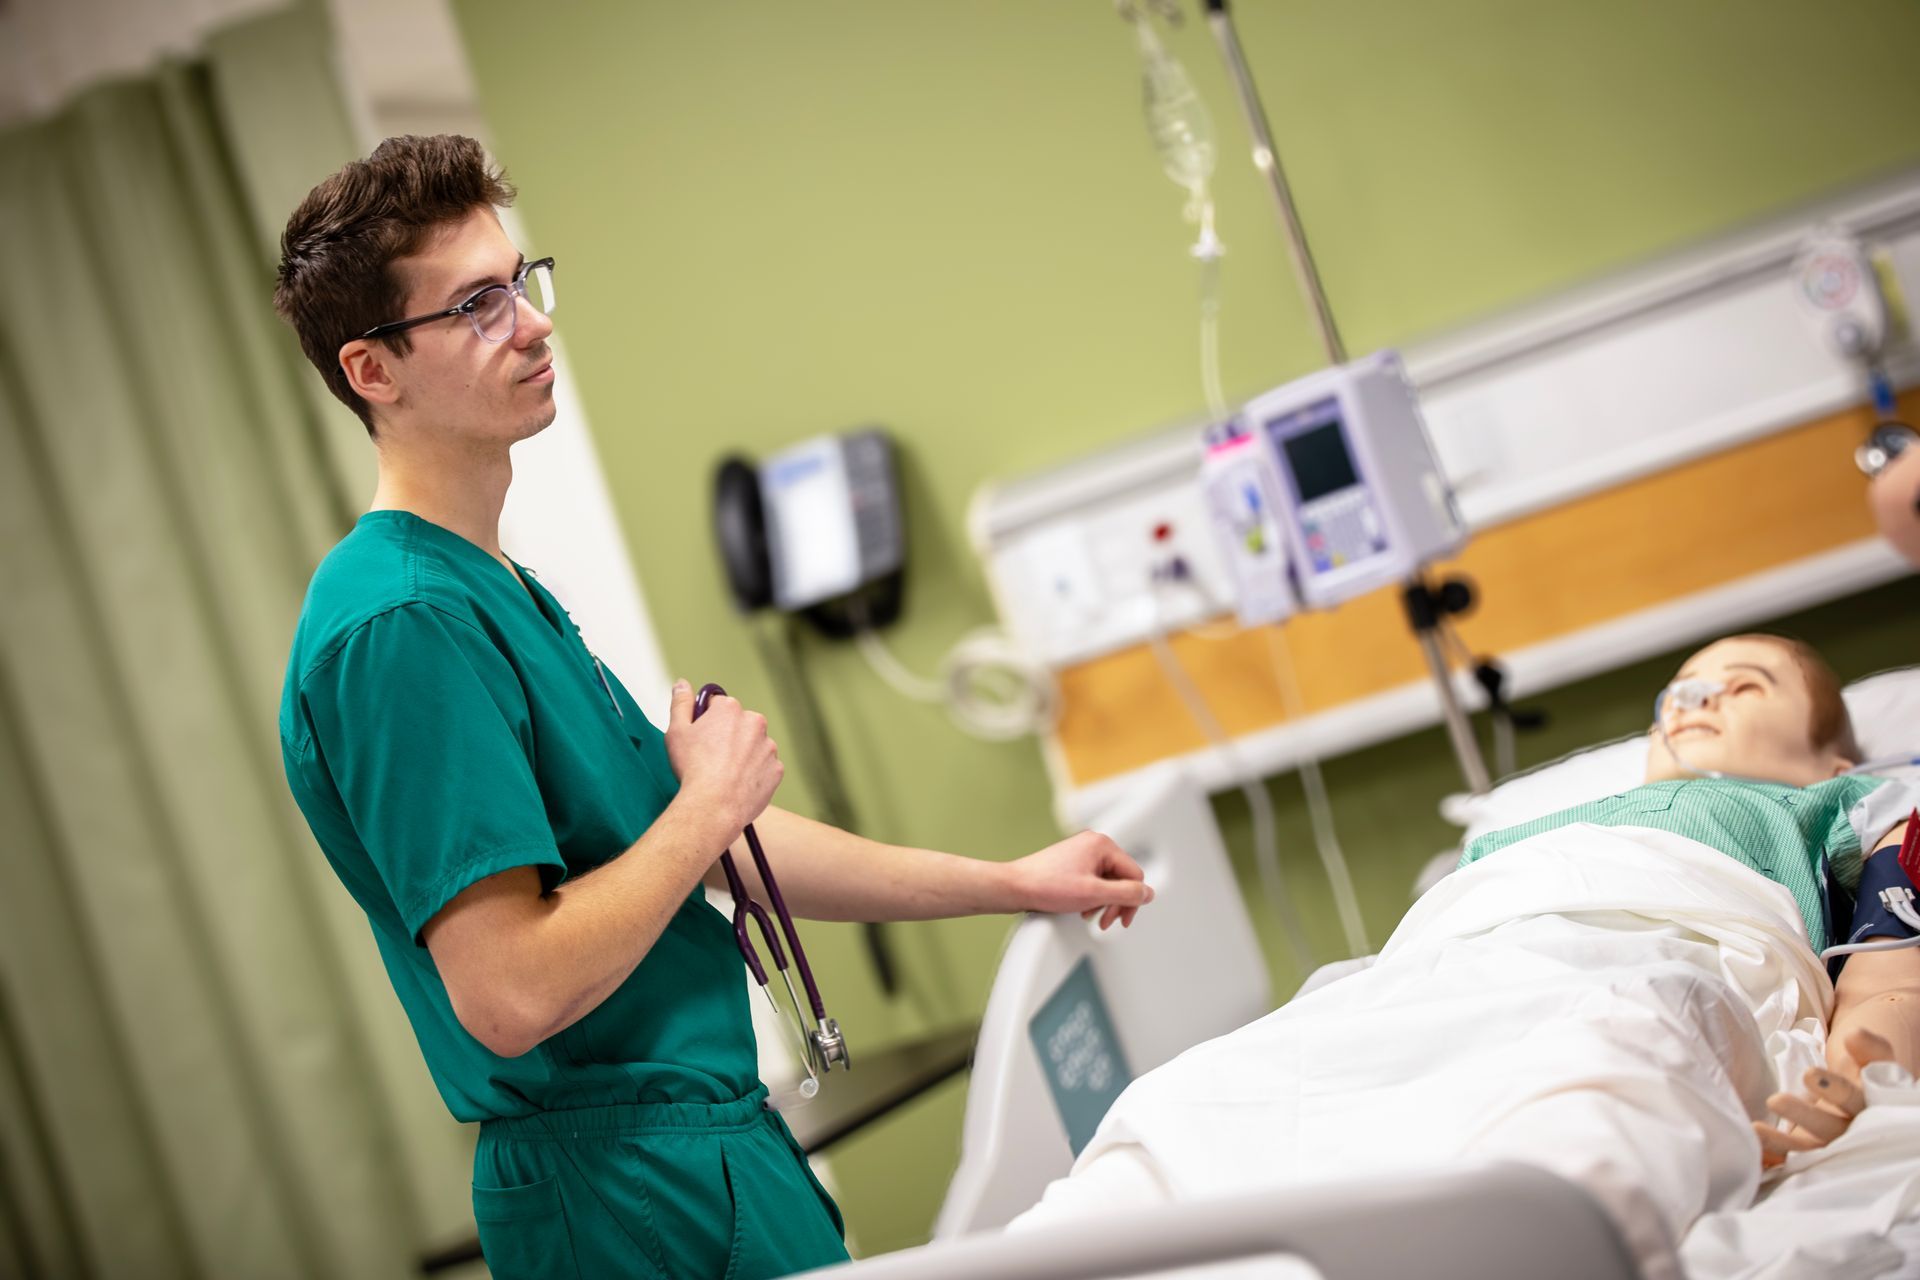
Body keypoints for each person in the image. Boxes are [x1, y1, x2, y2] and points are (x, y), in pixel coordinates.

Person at [271, 134, 1153, 1280]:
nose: (534, 323)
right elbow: (511, 988)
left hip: (702, 1151)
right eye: (479, 305)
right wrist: (706, 805)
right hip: (626, 1191)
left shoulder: (491, 590)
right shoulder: (400, 626)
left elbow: (713, 843)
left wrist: (1010, 881)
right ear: (372, 370)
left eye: (523, 281)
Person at [1015, 632, 1918, 1280]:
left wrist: (1852, 1074)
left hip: (1642, 956)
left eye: (1747, 685)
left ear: (1832, 750)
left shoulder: (1854, 810)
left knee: (1602, 1072)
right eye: (1678, 690)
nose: (1694, 702)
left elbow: (1891, 968)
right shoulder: (1514, 834)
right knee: (1193, 1099)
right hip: (1427, 975)